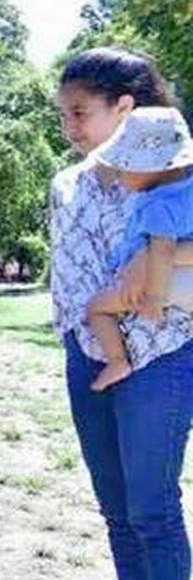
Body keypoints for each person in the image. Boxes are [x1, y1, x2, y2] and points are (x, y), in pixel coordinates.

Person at [51, 48, 192, 580]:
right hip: (90, 354)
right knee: (117, 509)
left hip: (161, 357)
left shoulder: (177, 179)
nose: (69, 126)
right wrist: (82, 338)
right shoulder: (70, 183)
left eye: (80, 112)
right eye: (64, 114)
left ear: (126, 108)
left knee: (153, 508)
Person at [83, 107, 193, 391]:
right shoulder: (187, 191)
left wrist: (154, 297)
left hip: (164, 282)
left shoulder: (158, 203)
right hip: (184, 278)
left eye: (124, 167)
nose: (119, 176)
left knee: (96, 308)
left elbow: (163, 250)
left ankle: (117, 360)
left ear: (152, 167)